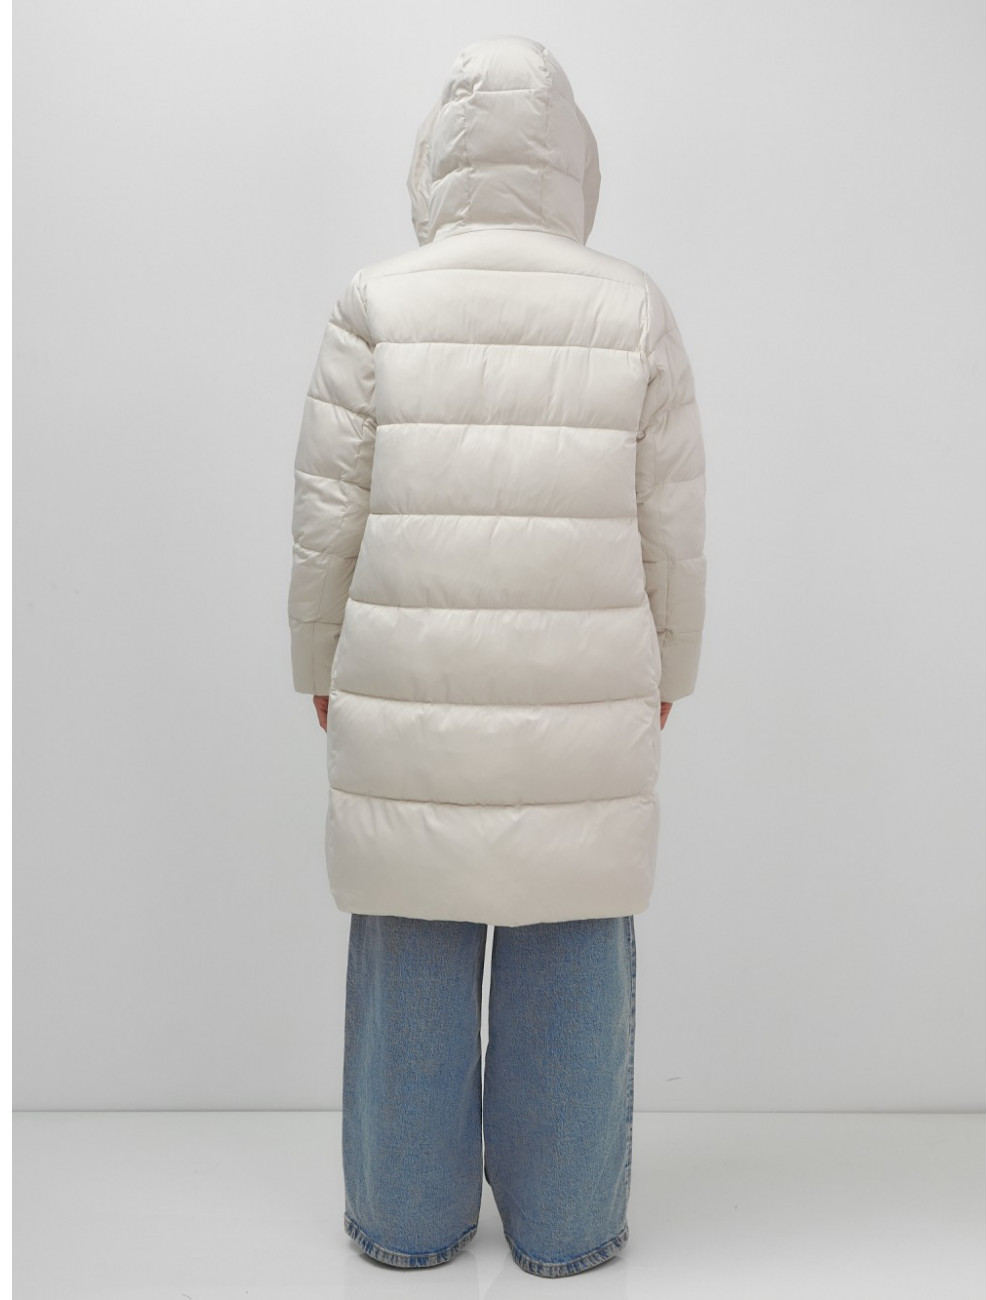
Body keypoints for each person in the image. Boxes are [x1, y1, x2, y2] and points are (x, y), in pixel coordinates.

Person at [286, 35, 706, 1278]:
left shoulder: (376, 301)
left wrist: (319, 659)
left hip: (406, 696)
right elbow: (672, 524)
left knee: (411, 913)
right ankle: (566, 1225)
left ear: (439, 159)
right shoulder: (630, 307)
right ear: (574, 161)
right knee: (571, 922)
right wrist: (669, 668)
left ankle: (407, 1220)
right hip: (585, 703)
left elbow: (326, 514)